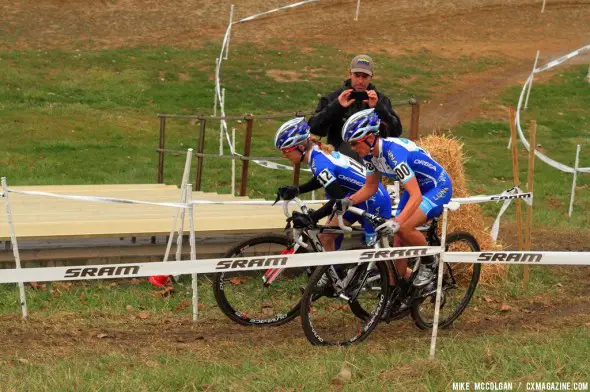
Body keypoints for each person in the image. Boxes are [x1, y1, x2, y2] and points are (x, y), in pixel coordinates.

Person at [334, 108, 453, 289]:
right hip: (416, 188)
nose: (353, 148)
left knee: (403, 227)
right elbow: (370, 187)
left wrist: (397, 221)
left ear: (370, 138)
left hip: (437, 186)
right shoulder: (370, 156)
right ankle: (399, 286)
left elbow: (416, 196)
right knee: (399, 239)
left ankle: (430, 261)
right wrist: (349, 201)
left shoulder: (393, 153)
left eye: (355, 143)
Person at [274, 117, 392, 251]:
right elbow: (324, 180)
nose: (284, 155)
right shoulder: (317, 155)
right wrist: (297, 189)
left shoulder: (320, 163)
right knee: (326, 237)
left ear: (301, 147)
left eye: (286, 150)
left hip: (374, 201)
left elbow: (338, 199)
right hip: (355, 198)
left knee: (376, 258)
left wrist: (313, 217)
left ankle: (407, 272)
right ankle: (332, 272)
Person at [308, 54, 402, 161]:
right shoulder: (334, 98)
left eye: (365, 76)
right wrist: (337, 106)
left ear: (371, 77)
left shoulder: (381, 100)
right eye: (357, 75)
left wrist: (378, 108)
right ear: (350, 74)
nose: (360, 81)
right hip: (341, 163)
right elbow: (314, 128)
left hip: (373, 164)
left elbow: (396, 132)